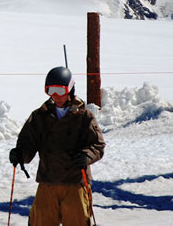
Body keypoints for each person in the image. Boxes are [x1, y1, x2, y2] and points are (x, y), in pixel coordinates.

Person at [9, 66, 105, 226]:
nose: (56, 96)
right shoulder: (40, 116)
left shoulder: (83, 116)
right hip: (48, 182)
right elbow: (28, 143)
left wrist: (87, 155)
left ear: (70, 89)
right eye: (51, 90)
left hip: (75, 182)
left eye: (60, 91)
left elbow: (98, 144)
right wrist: (20, 154)